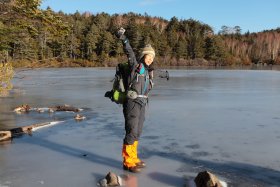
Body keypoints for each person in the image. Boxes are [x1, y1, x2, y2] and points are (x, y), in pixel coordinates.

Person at [116, 28, 155, 173]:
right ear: (143, 56)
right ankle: (127, 161)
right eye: (148, 56)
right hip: (132, 102)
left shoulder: (148, 72)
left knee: (138, 131)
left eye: (152, 57)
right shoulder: (135, 66)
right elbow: (129, 52)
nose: (150, 58)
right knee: (131, 130)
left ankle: (134, 157)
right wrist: (124, 38)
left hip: (142, 103)